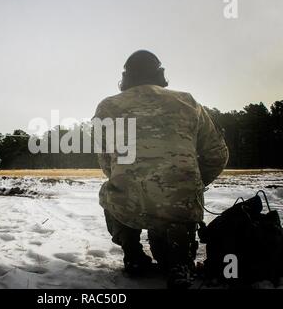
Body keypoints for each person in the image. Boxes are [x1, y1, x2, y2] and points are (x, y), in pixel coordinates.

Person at [93, 50, 229, 289]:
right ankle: (179, 261)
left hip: (129, 204)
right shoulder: (188, 102)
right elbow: (218, 154)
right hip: (180, 207)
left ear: (126, 77)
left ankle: (133, 254)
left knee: (109, 191)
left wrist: (131, 178)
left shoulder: (108, 106)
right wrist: (194, 183)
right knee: (171, 237)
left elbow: (107, 163)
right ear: (160, 74)